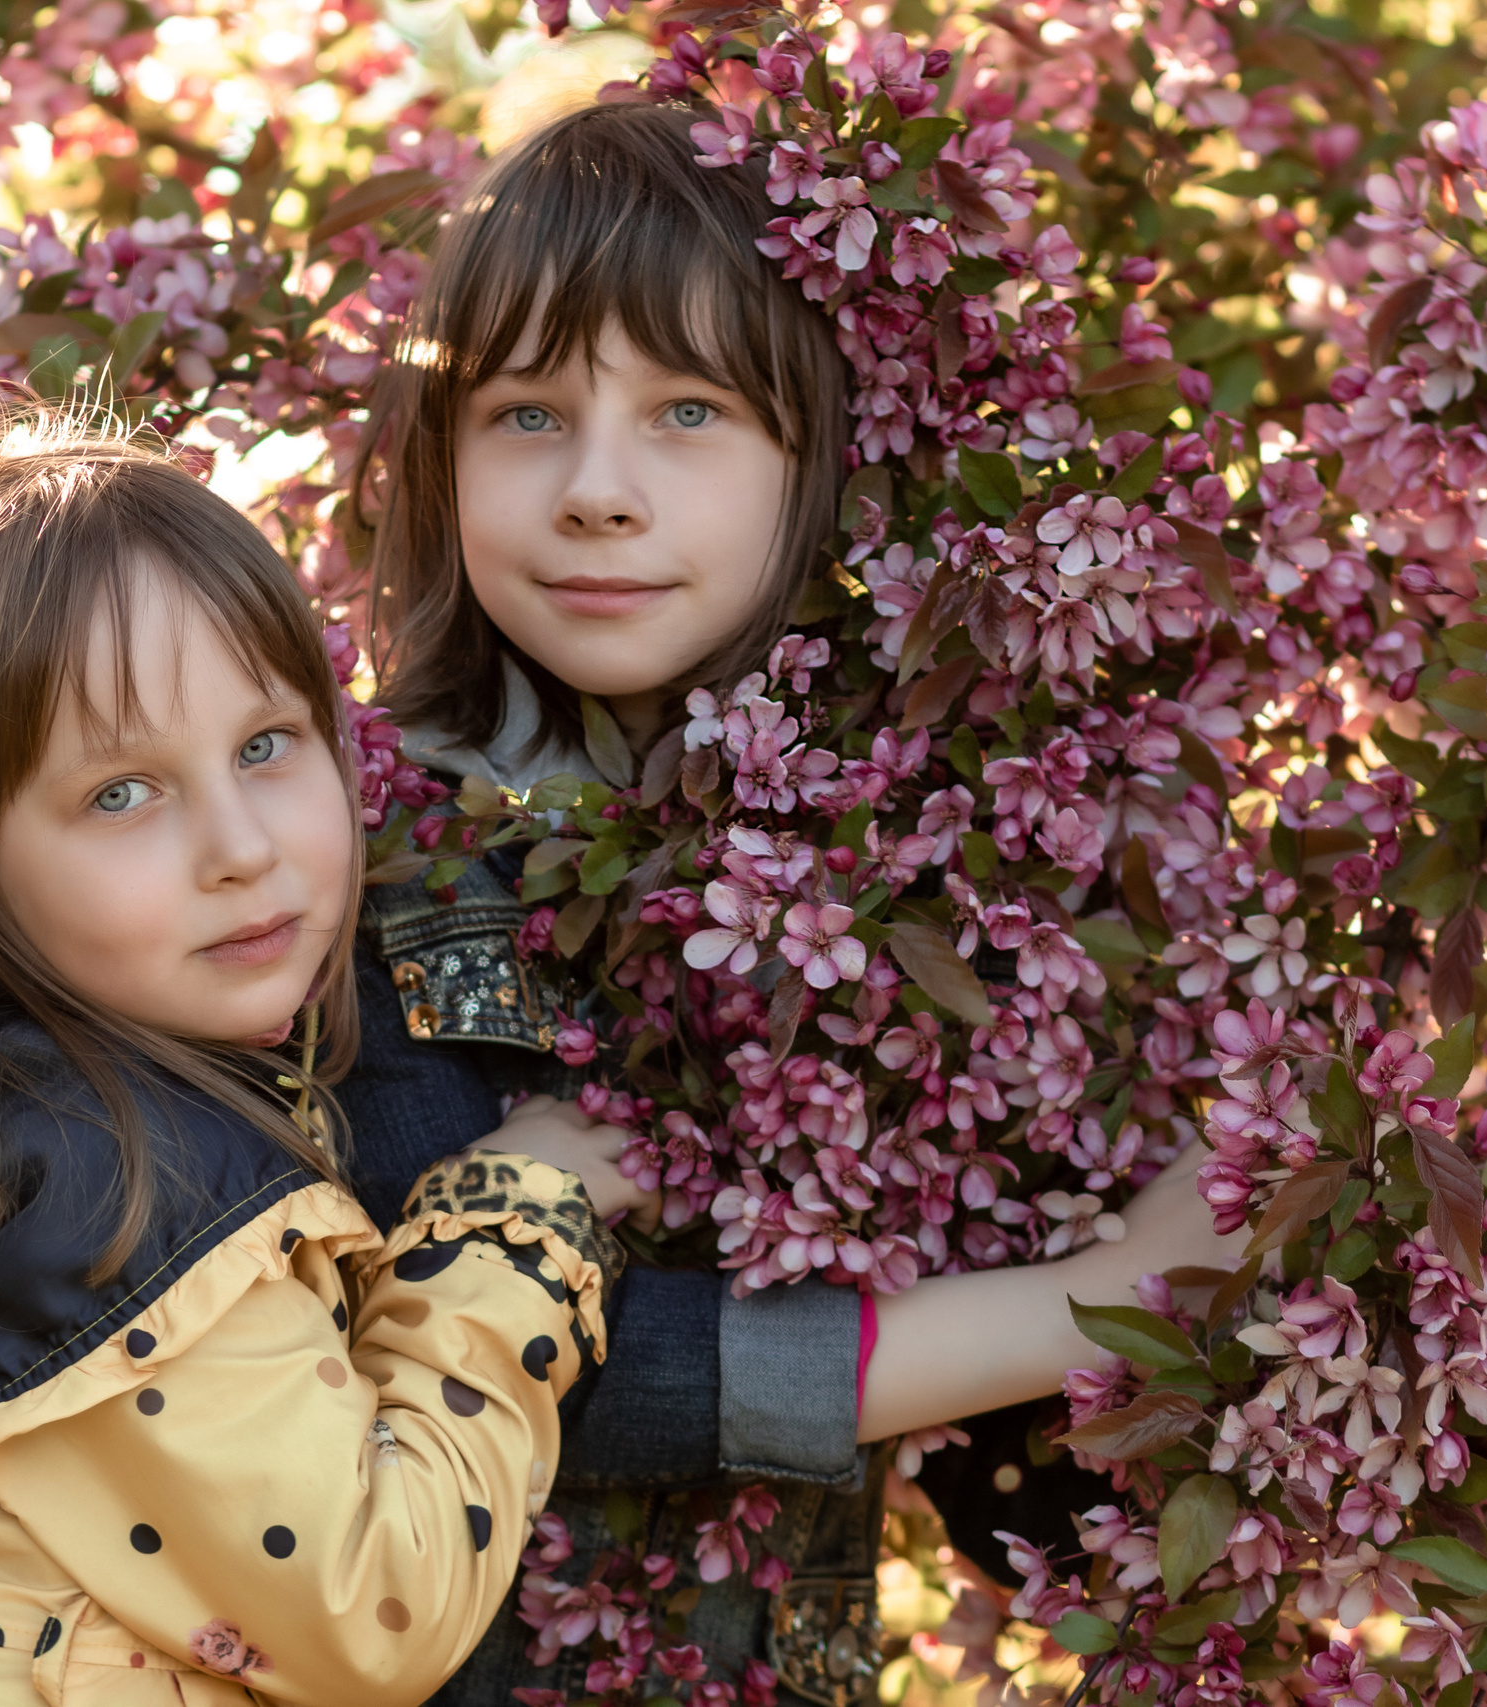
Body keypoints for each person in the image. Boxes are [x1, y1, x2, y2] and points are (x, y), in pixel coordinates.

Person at [339, 101, 1244, 1705]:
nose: (599, 493)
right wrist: (1081, 1313)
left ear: (826, 458)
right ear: (438, 455)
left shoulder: (926, 847)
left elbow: (1019, 1457)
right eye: (528, 415)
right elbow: (482, 1356)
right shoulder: (368, 848)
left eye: (689, 411)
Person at [0, 387, 640, 1705]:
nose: (243, 847)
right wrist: (517, 1219)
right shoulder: (111, 1193)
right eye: (121, 792)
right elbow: (380, 1600)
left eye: (267, 745)